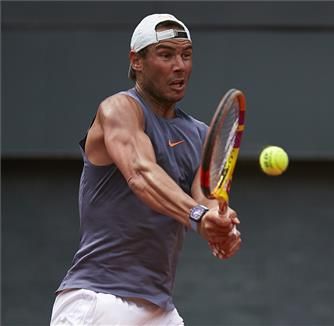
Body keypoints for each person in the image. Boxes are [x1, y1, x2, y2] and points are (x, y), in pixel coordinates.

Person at [50, 13, 242, 325]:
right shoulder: (118, 110)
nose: (179, 65)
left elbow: (205, 200)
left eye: (186, 55)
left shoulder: (201, 135)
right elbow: (141, 175)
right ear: (136, 61)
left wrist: (220, 226)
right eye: (166, 55)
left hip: (160, 310)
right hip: (98, 300)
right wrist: (198, 216)